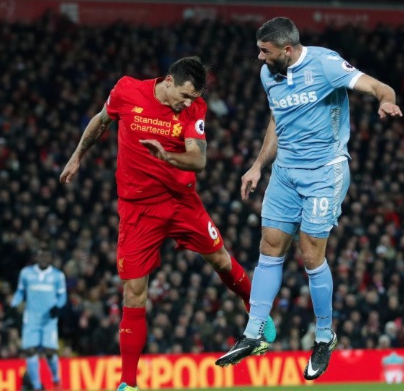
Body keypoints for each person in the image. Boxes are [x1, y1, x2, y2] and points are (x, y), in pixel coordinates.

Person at [59, 56, 276, 391]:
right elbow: (101, 121)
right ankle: (128, 383)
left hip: (180, 203)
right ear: (169, 81)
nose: (188, 103)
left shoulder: (194, 108)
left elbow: (199, 159)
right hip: (137, 210)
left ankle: (256, 312)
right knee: (133, 293)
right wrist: (77, 156)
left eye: (194, 98)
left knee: (220, 258)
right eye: (185, 96)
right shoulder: (127, 91)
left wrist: (166, 155)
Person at [214, 17, 403, 380]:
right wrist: (257, 166)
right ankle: (254, 332)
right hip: (285, 172)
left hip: (324, 173)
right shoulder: (269, 75)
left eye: (265, 51)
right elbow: (277, 119)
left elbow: (380, 87)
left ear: (287, 49)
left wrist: (386, 102)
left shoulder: (325, 64)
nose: (258, 57)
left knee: (310, 252)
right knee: (270, 246)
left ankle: (323, 335)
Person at [11, 245, 67, 391]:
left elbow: (63, 296)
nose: (43, 258)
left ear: (50, 258)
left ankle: (56, 378)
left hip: (49, 320)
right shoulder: (26, 273)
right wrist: (13, 303)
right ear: (36, 257)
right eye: (40, 255)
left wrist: (58, 307)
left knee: (49, 352)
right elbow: (20, 292)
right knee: (30, 351)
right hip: (31, 319)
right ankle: (37, 386)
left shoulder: (57, 275)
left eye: (46, 256)